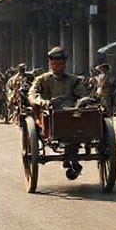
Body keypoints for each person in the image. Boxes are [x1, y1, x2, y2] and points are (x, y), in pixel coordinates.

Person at [29, 46, 88, 179]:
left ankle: (72, 158)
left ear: (64, 64)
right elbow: (32, 95)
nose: (58, 66)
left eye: (60, 63)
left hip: (72, 116)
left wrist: (82, 101)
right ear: (50, 63)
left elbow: (82, 94)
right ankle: (71, 159)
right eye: (55, 63)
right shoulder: (41, 79)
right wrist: (44, 102)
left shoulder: (74, 80)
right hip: (49, 116)